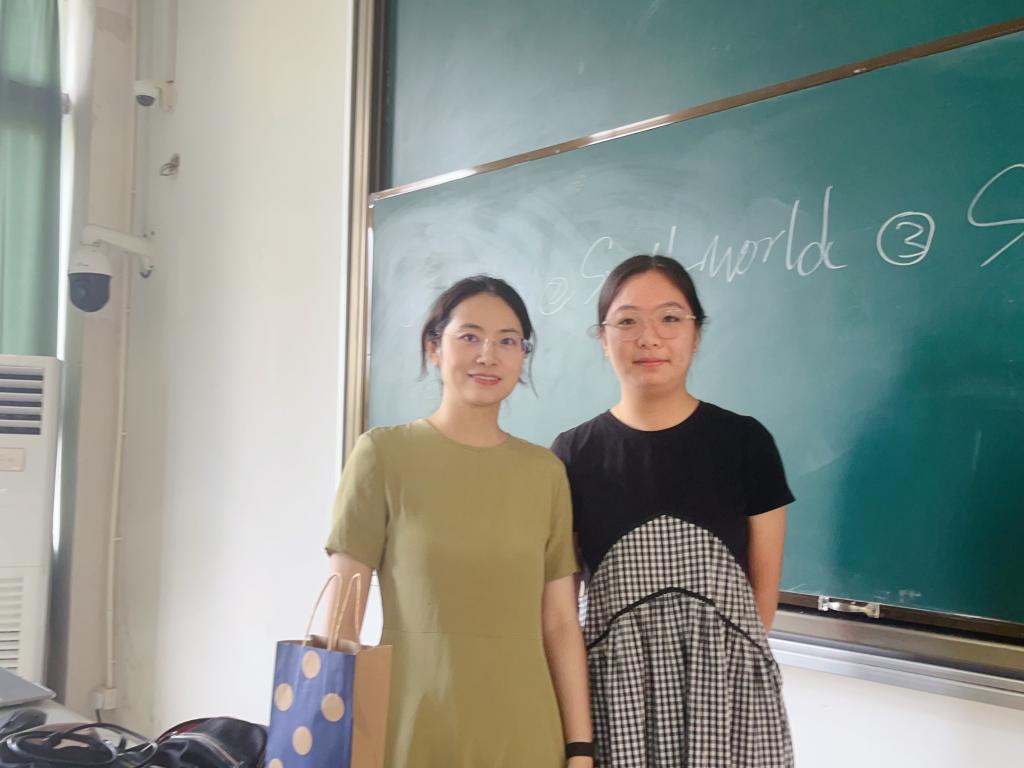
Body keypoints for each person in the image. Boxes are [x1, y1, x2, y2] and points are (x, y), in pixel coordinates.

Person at [326, 275, 594, 767]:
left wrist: (580, 749)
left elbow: (559, 624)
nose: (488, 355)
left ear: (522, 356)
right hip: (408, 726)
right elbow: (341, 617)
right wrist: (335, 735)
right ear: (434, 348)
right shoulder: (383, 454)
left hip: (525, 733)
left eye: (508, 341)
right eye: (470, 336)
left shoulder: (545, 473)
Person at [552, 255, 794, 767]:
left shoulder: (746, 443)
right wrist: (578, 743)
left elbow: (762, 597)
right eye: (626, 321)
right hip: (615, 702)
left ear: (696, 333)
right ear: (603, 338)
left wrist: (718, 687)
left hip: (727, 702)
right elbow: (561, 613)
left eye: (669, 318)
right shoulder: (572, 454)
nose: (649, 338)